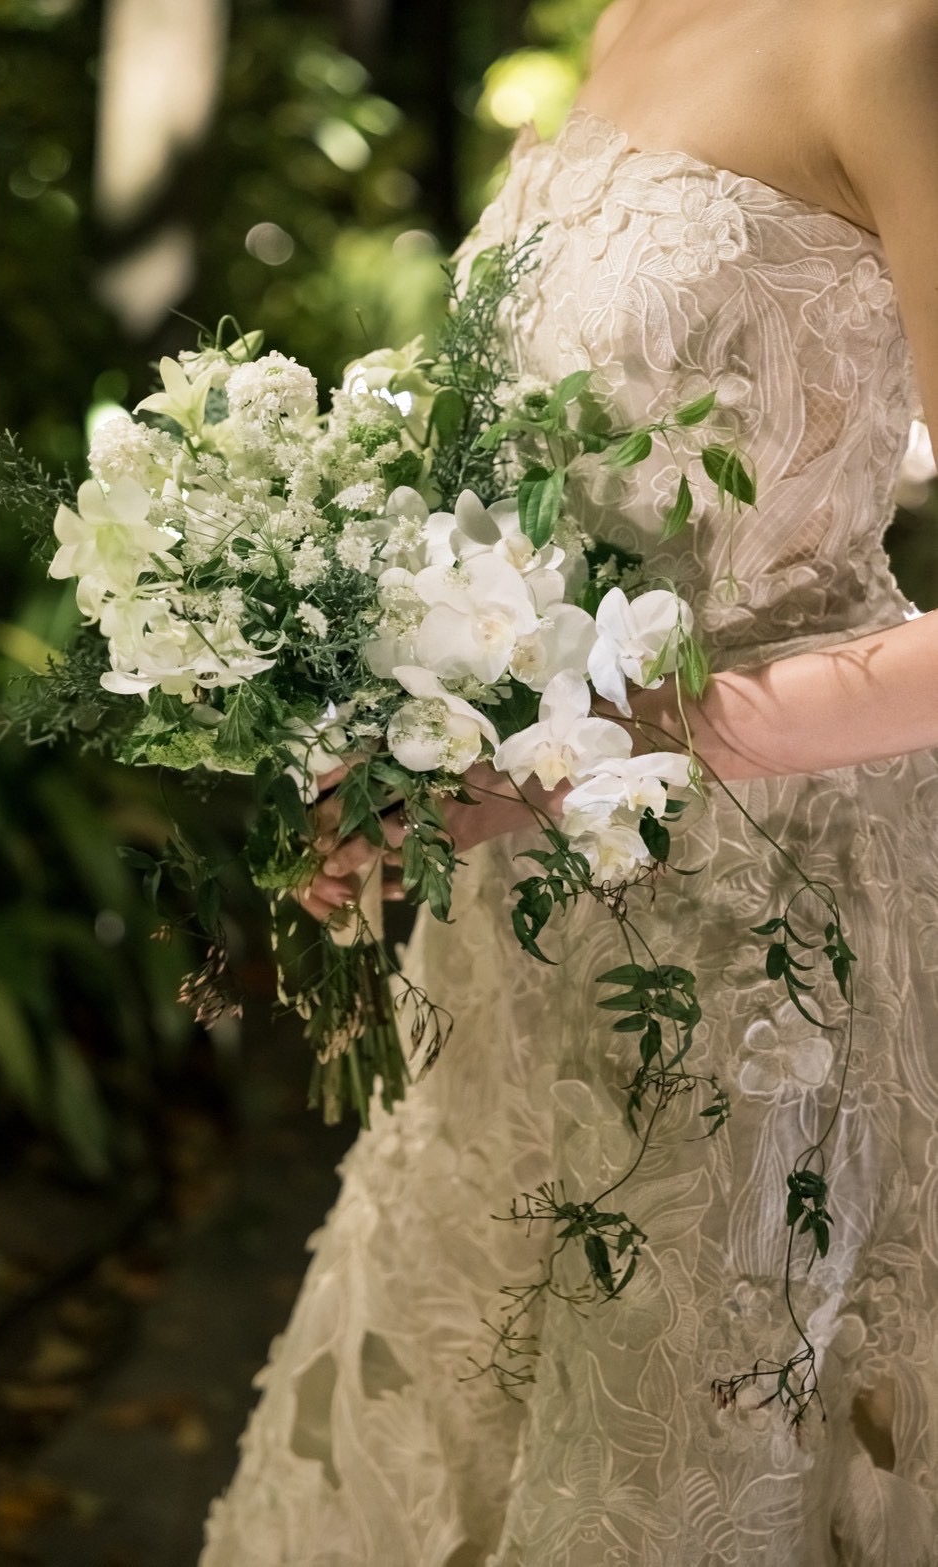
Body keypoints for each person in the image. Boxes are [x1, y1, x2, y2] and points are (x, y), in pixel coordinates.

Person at [201, 0, 938, 1561]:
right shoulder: (625, 17)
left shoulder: (887, 40)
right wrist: (403, 725)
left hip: (768, 931)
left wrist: (634, 729)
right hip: (524, 917)